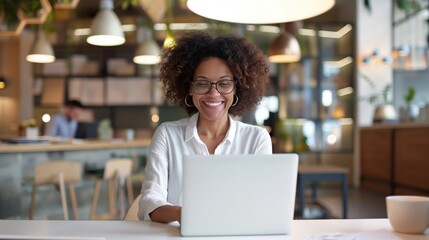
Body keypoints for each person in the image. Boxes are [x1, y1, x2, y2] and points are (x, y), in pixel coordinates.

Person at [138, 32, 272, 223]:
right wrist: (182, 214)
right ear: (189, 89)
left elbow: (263, 203)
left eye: (224, 83)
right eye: (202, 84)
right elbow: (148, 202)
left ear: (237, 89)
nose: (213, 93)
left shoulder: (256, 139)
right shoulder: (168, 135)